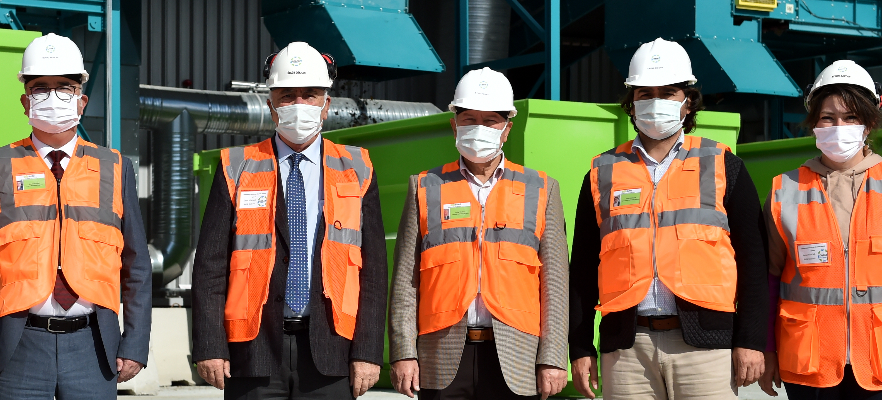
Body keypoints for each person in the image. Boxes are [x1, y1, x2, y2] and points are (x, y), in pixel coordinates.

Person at [568, 38, 769, 399]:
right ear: (631, 102)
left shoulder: (723, 164)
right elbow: (581, 270)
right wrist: (581, 347)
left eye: (668, 92)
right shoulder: (602, 173)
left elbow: (755, 261)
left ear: (688, 101)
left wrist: (751, 339)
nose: (656, 102)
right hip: (626, 349)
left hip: (707, 348)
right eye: (645, 93)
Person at [0, 33, 152, 399]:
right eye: (40, 88)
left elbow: (136, 266)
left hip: (94, 344)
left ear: (82, 102)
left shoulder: (115, 167)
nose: (52, 97)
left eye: (64, 87)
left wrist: (136, 342)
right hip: (16, 345)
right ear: (24, 102)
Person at [191, 41, 388, 400]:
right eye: (287, 95)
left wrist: (369, 352)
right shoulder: (236, 166)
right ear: (271, 106)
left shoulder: (358, 168)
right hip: (252, 350)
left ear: (325, 106)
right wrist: (209, 345)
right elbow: (209, 267)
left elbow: (373, 272)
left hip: (332, 349)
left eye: (309, 95)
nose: (299, 104)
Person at [387, 67, 569, 400]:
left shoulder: (542, 189)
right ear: (454, 124)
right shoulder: (425, 186)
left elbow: (555, 285)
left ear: (507, 129)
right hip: (440, 354)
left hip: (517, 356)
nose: (478, 128)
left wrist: (554, 357)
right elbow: (405, 283)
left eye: (490, 121)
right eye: (469, 119)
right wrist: (402, 351)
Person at [759, 60, 882, 400]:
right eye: (828, 118)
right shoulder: (785, 189)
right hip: (809, 363)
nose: (839, 127)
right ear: (814, 124)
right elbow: (769, 279)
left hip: (876, 364)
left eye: (851, 117)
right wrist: (767, 350)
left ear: (868, 124)